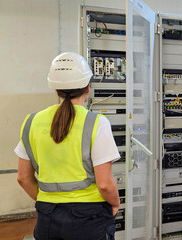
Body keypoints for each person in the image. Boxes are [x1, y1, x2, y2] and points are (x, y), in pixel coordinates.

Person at [15, 52, 120, 240]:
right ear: (88, 87)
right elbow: (104, 184)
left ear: (55, 89)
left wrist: (49, 203)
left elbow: (23, 178)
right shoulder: (97, 123)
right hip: (89, 220)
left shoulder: (32, 122)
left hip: (47, 220)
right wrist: (115, 203)